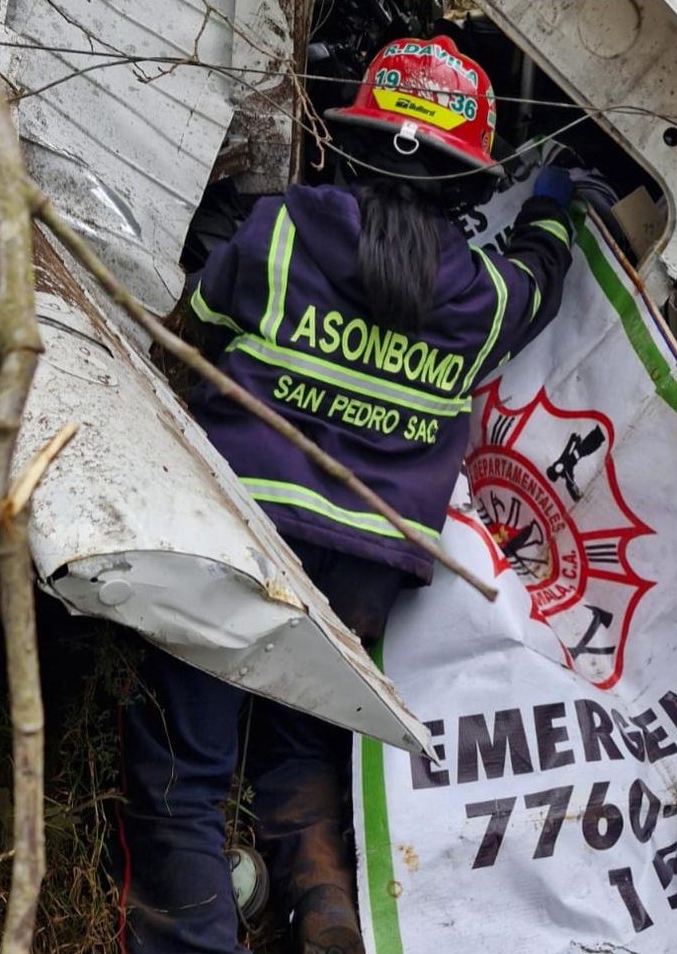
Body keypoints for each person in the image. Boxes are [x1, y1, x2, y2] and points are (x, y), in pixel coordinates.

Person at [116, 35, 575, 954]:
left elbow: (192, 335)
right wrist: (559, 206)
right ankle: (322, 904)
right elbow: (544, 280)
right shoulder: (484, 297)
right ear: (467, 180)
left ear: (355, 137)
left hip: (240, 541)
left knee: (188, 769)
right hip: (364, 571)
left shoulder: (282, 230)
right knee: (304, 741)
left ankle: (193, 939)